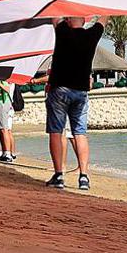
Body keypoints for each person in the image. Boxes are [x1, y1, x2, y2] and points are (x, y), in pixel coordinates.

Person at [45, 16, 106, 190]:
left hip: (61, 89)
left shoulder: (63, 31)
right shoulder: (92, 35)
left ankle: (59, 175)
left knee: (56, 131)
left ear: (69, 19)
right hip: (81, 92)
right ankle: (84, 176)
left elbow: (54, 15)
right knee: (80, 133)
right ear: (84, 21)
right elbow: (103, 20)